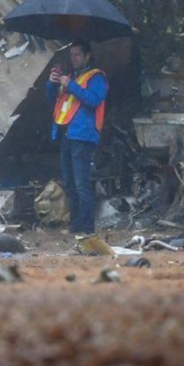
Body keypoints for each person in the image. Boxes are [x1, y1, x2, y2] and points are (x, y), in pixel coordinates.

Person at [46, 41, 108, 235]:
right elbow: (53, 101)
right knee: (70, 184)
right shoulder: (71, 76)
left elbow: (93, 99)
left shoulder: (96, 76)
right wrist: (52, 83)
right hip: (67, 133)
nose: (73, 59)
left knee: (82, 184)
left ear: (87, 56)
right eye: (71, 55)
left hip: (83, 135)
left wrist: (70, 85)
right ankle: (75, 226)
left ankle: (87, 227)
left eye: (77, 55)